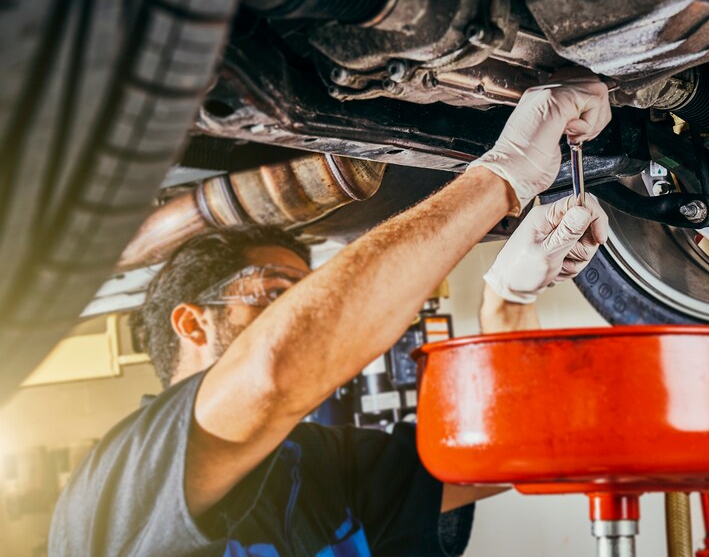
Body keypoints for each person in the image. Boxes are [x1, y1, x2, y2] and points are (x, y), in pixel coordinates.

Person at [48, 78, 613, 556]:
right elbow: (271, 373)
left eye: (303, 293)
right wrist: (499, 180)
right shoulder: (115, 485)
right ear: (192, 324)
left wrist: (508, 296)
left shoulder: (320, 466)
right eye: (277, 294)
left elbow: (516, 448)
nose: (304, 310)